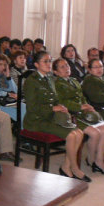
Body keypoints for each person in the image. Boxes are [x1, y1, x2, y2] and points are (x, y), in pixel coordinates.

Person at [23, 51, 89, 181]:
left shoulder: (50, 79)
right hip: (36, 121)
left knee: (79, 133)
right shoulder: (31, 81)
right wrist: (53, 108)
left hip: (51, 117)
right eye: (45, 61)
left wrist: (61, 107)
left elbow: (54, 99)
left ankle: (66, 166)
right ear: (36, 64)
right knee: (71, 135)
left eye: (49, 61)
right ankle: (75, 168)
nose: (49, 64)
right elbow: (32, 108)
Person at [53, 58, 104, 175]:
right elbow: (62, 102)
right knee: (95, 133)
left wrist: (87, 105)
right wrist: (80, 106)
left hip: (83, 114)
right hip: (72, 115)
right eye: (62, 67)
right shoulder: (57, 84)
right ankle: (90, 159)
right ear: (55, 72)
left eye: (67, 66)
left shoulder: (73, 81)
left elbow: (81, 97)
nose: (67, 68)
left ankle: (98, 162)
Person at [0, 54, 25, 123]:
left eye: (5, 65)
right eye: (0, 64)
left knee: (24, 106)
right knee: (20, 111)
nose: (3, 67)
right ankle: (21, 130)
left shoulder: (3, 76)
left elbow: (15, 90)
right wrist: (7, 94)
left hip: (6, 101)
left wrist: (8, 77)